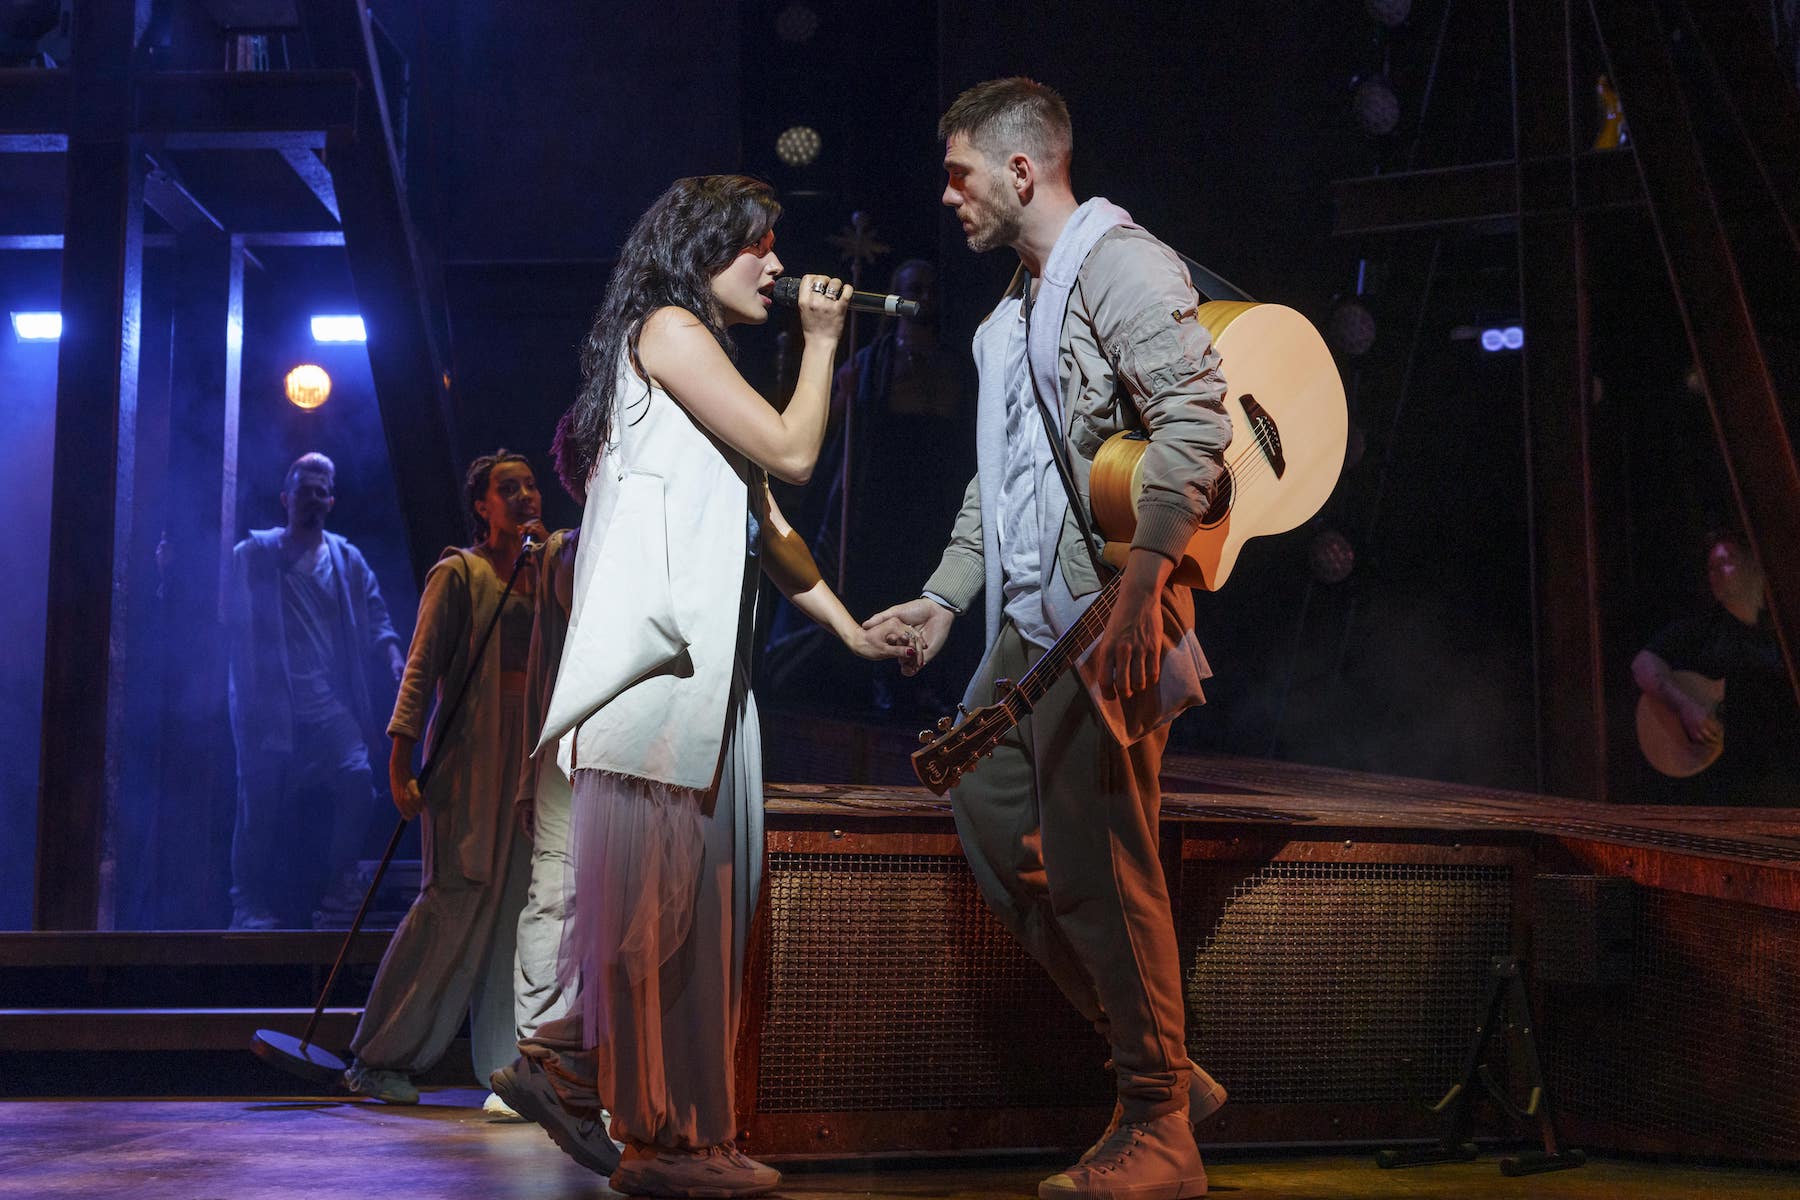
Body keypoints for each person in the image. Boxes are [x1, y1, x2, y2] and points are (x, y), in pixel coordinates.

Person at [489, 175, 917, 1198]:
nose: (778, 265)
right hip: (654, 686)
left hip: (708, 688)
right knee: (660, 921)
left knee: (694, 917)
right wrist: (821, 343)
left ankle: (615, 1086)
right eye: (757, 246)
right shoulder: (668, 329)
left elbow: (770, 528)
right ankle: (662, 1139)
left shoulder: (700, 362)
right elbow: (797, 452)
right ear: (699, 250)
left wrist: (853, 633)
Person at [866, 79, 1232, 1200]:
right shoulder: (1010, 310)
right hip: (1029, 627)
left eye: (960, 171)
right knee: (988, 822)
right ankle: (1163, 1065)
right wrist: (944, 594)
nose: (948, 195)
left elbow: (1198, 420)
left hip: (1102, 615)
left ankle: (1159, 1123)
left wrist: (1140, 596)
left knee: (1097, 868)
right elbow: (1006, 470)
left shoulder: (1118, 265)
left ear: (1021, 171)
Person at [341, 451, 546, 1111]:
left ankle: (504, 1071)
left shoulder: (546, 574)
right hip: (470, 763)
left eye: (529, 484)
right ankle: (378, 1056)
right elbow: (421, 669)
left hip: (526, 767)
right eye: (505, 488)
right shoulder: (459, 573)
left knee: (515, 915)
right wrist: (400, 766)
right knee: (451, 903)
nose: (522, 495)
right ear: (482, 505)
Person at [765, 258, 973, 714]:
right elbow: (824, 431)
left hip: (928, 498)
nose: (925, 296)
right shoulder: (870, 362)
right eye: (913, 287)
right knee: (867, 583)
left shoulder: (952, 365)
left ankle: (915, 680)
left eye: (931, 288)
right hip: (874, 499)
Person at [224, 452, 403, 930]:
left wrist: (393, 657)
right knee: (259, 802)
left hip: (329, 705)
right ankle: (248, 900)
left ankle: (340, 882)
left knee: (356, 780)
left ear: (333, 499)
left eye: (323, 491)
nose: (315, 499)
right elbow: (231, 625)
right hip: (272, 702)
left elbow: (377, 616)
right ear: (285, 498)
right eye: (306, 490)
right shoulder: (255, 555)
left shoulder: (346, 559)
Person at [1631, 529, 1799, 805]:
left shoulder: (1781, 630)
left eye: (1727, 562)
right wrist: (1685, 706)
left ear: (1755, 566)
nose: (1717, 572)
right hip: (1731, 789)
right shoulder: (1702, 631)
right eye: (1712, 567)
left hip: (1783, 779)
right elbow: (1642, 666)